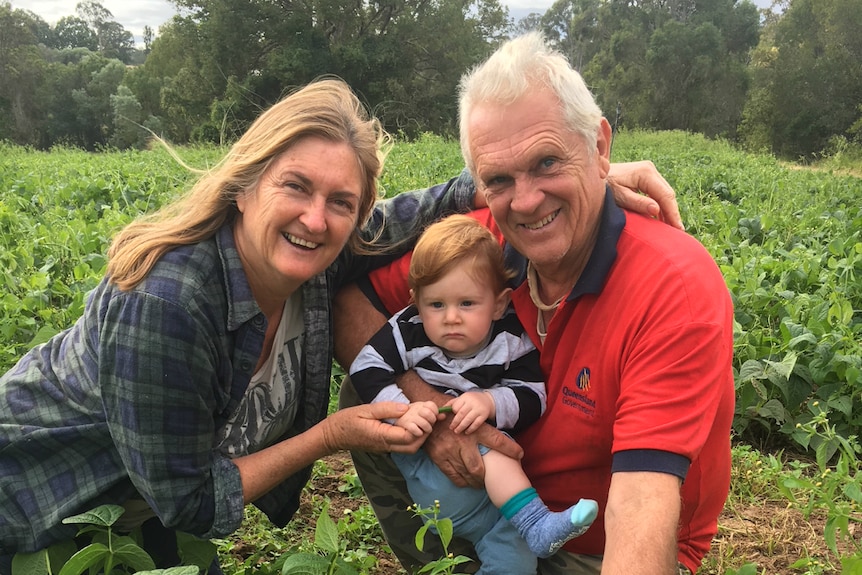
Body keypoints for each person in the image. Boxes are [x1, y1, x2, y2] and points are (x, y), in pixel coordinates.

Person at [0, 77, 677, 573]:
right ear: (245, 184)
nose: (317, 218)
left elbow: (420, 208)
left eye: (341, 202)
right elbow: (190, 501)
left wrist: (570, 178)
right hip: (35, 502)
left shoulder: (314, 259)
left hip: (137, 508)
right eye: (295, 186)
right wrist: (327, 435)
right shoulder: (169, 302)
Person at [335, 32, 734, 575]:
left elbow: (640, 504)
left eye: (547, 162)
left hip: (591, 542)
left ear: (599, 148)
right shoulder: (477, 253)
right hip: (485, 499)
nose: (525, 201)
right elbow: (347, 294)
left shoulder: (670, 284)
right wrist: (431, 408)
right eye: (499, 178)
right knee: (364, 392)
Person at [350, 214, 598, 574]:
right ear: (416, 302)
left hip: (496, 510)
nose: (451, 317)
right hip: (427, 468)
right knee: (490, 444)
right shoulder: (408, 329)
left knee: (514, 556)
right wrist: (405, 411)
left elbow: (532, 395)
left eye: (467, 304)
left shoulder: (509, 339)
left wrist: (490, 401)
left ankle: (527, 530)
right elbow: (365, 365)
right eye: (436, 305)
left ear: (498, 304)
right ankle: (537, 522)